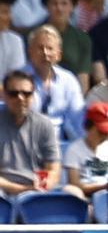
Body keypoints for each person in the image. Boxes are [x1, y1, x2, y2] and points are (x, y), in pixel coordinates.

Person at [0, 68, 61, 198]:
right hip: (3, 190)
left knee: (73, 194)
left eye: (26, 93)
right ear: (4, 95)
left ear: (33, 96)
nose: (20, 98)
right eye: (13, 93)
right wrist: (21, 189)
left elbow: (54, 168)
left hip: (35, 191)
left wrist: (46, 183)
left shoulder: (45, 124)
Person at [26, 23, 84, 141]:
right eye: (40, 48)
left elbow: (78, 120)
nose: (45, 53)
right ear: (30, 52)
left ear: (59, 55)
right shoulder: (18, 78)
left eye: (50, 48)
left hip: (59, 145)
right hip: (24, 143)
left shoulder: (68, 80)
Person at [63, 100, 108, 198]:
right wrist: (102, 187)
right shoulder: (74, 149)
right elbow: (74, 184)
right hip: (83, 198)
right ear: (87, 127)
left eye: (107, 132)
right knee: (70, 190)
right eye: (101, 132)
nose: (104, 136)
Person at [40, 0, 90, 83]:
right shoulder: (33, 35)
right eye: (54, 3)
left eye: (64, 3)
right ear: (46, 6)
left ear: (72, 7)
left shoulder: (82, 38)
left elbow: (83, 76)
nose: (59, 8)